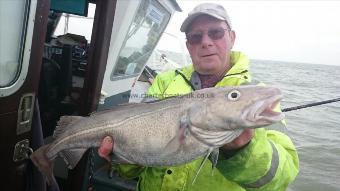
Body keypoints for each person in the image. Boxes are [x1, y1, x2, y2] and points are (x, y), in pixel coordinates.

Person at [99, 3, 299, 191]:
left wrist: (243, 151)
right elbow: (136, 163)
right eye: (196, 37)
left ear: (232, 37)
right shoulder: (165, 81)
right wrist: (122, 158)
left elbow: (282, 176)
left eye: (216, 33)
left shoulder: (255, 95)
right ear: (188, 46)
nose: (206, 42)